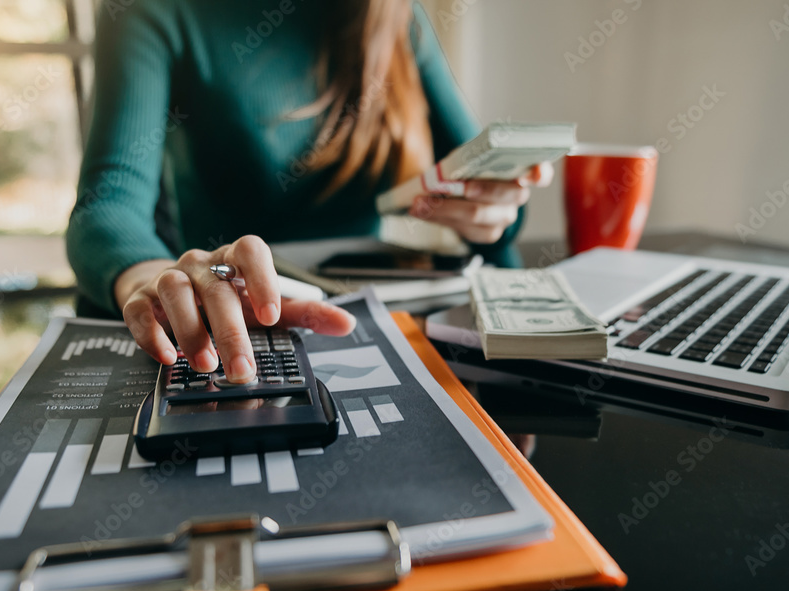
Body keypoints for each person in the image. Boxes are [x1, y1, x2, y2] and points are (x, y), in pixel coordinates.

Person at [66, 0, 552, 384]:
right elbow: (104, 206)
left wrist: (498, 214)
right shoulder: (151, 9)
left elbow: (488, 190)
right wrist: (154, 279)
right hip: (238, 321)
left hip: (383, 320)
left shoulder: (397, 14)